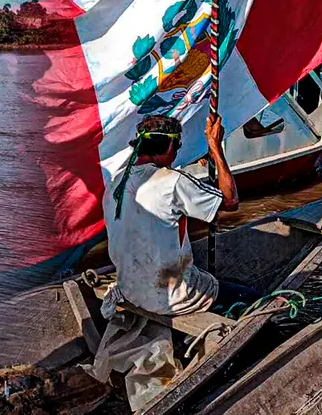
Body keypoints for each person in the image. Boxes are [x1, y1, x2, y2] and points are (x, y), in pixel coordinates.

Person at [102, 113, 253, 317]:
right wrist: (215, 148)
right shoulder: (173, 181)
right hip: (175, 298)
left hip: (131, 290)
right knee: (255, 299)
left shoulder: (115, 183)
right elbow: (231, 201)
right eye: (178, 147)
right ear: (170, 146)